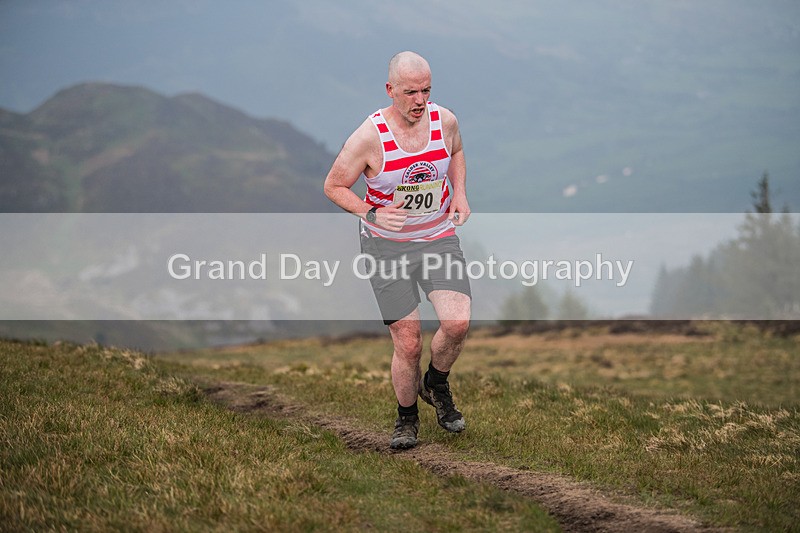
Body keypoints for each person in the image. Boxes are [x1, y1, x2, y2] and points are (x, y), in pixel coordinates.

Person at [323, 51, 472, 449]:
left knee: (457, 324)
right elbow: (334, 186)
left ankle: (436, 383)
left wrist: (459, 193)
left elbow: (456, 151)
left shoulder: (445, 121)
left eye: (426, 91)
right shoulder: (369, 137)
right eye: (410, 92)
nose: (420, 101)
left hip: (437, 237)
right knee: (408, 341)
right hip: (385, 247)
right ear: (390, 90)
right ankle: (407, 418)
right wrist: (370, 212)